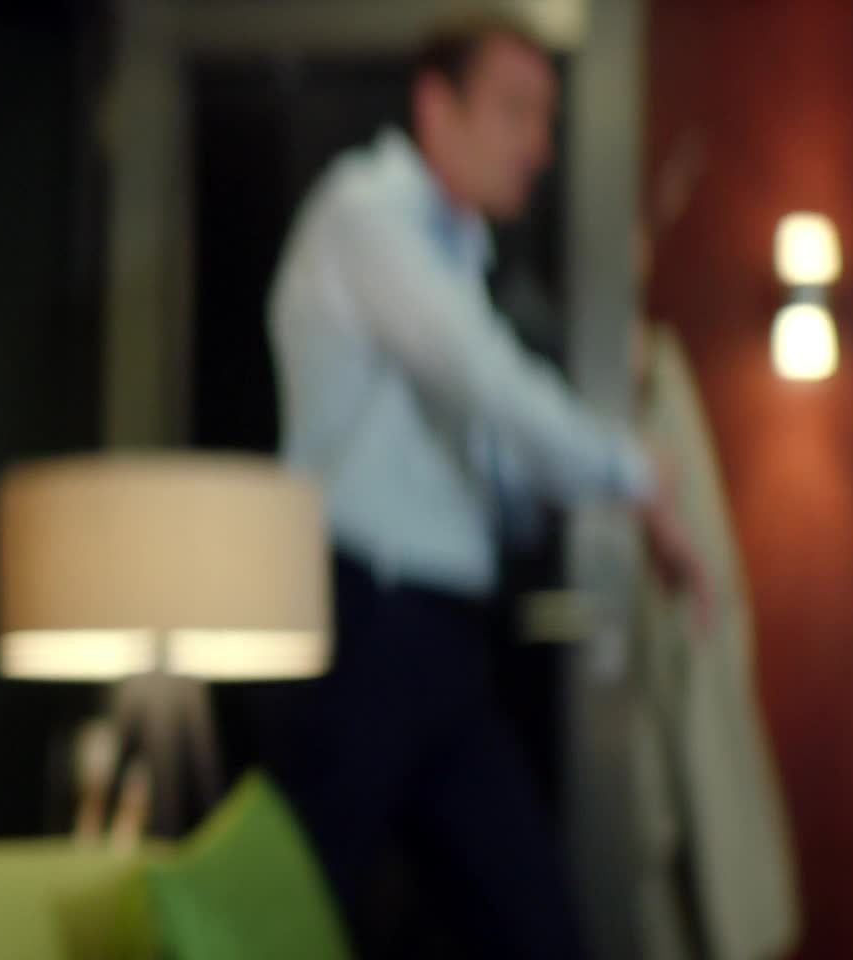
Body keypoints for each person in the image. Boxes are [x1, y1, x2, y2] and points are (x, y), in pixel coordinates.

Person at [260, 15, 704, 958]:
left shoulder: (458, 253)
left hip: (440, 632)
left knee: (531, 924)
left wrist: (614, 496)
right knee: (281, 922)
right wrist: (634, 472)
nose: (538, 146)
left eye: (546, 118)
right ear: (437, 108)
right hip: (365, 618)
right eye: (515, 111)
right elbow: (485, 379)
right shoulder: (365, 213)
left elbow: (495, 438)